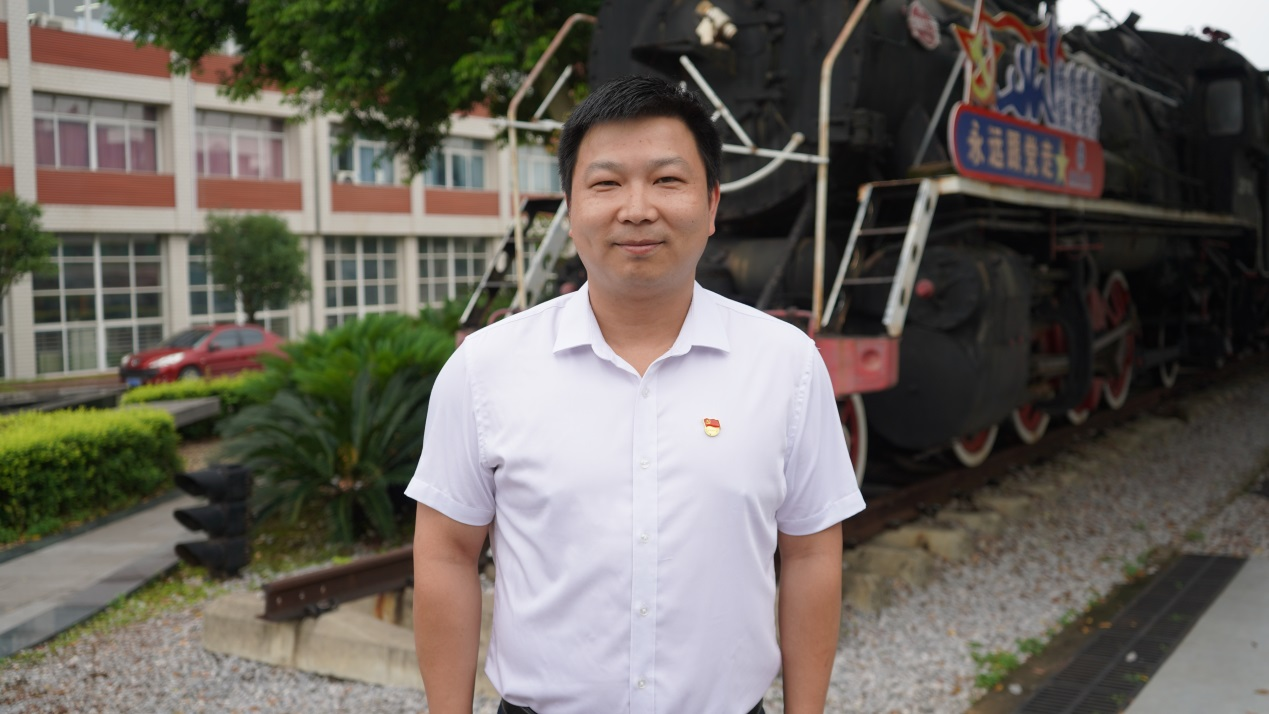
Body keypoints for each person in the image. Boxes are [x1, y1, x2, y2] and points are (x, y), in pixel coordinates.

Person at [407, 75, 865, 714]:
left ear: (712, 204)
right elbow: (447, 555)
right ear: (571, 208)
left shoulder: (787, 364)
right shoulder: (484, 368)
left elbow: (811, 551)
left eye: (667, 180)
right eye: (606, 184)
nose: (637, 208)